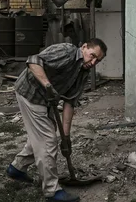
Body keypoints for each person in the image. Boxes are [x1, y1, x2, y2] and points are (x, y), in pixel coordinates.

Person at [6, 39, 107, 202]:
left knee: (44, 134)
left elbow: (70, 103)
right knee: (47, 140)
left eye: (98, 60)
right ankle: (52, 191)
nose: (93, 62)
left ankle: (17, 167)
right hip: (30, 93)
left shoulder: (83, 72)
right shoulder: (66, 52)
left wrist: (66, 138)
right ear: (84, 48)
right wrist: (47, 85)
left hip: (45, 100)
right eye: (92, 55)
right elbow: (33, 60)